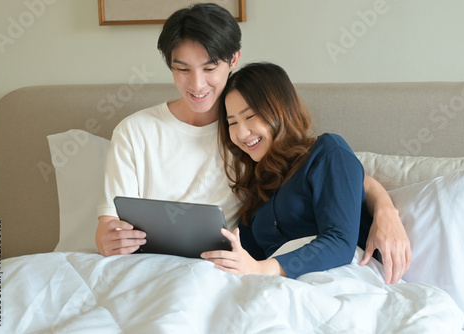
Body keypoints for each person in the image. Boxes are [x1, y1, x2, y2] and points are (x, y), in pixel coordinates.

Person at [95, 3, 410, 284]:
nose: (197, 84)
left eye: (209, 68)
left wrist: (385, 208)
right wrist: (107, 239)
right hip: (189, 273)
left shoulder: (293, 150)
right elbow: (108, 226)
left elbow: (338, 178)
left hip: (297, 277)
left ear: (233, 60)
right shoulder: (139, 132)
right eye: (182, 69)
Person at [202, 62, 377, 278]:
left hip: (338, 277)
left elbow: (340, 242)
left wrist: (263, 269)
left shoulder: (327, 153)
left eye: (249, 117)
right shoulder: (256, 189)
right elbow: (246, 261)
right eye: (232, 123)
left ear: (280, 110)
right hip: (273, 288)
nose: (242, 132)